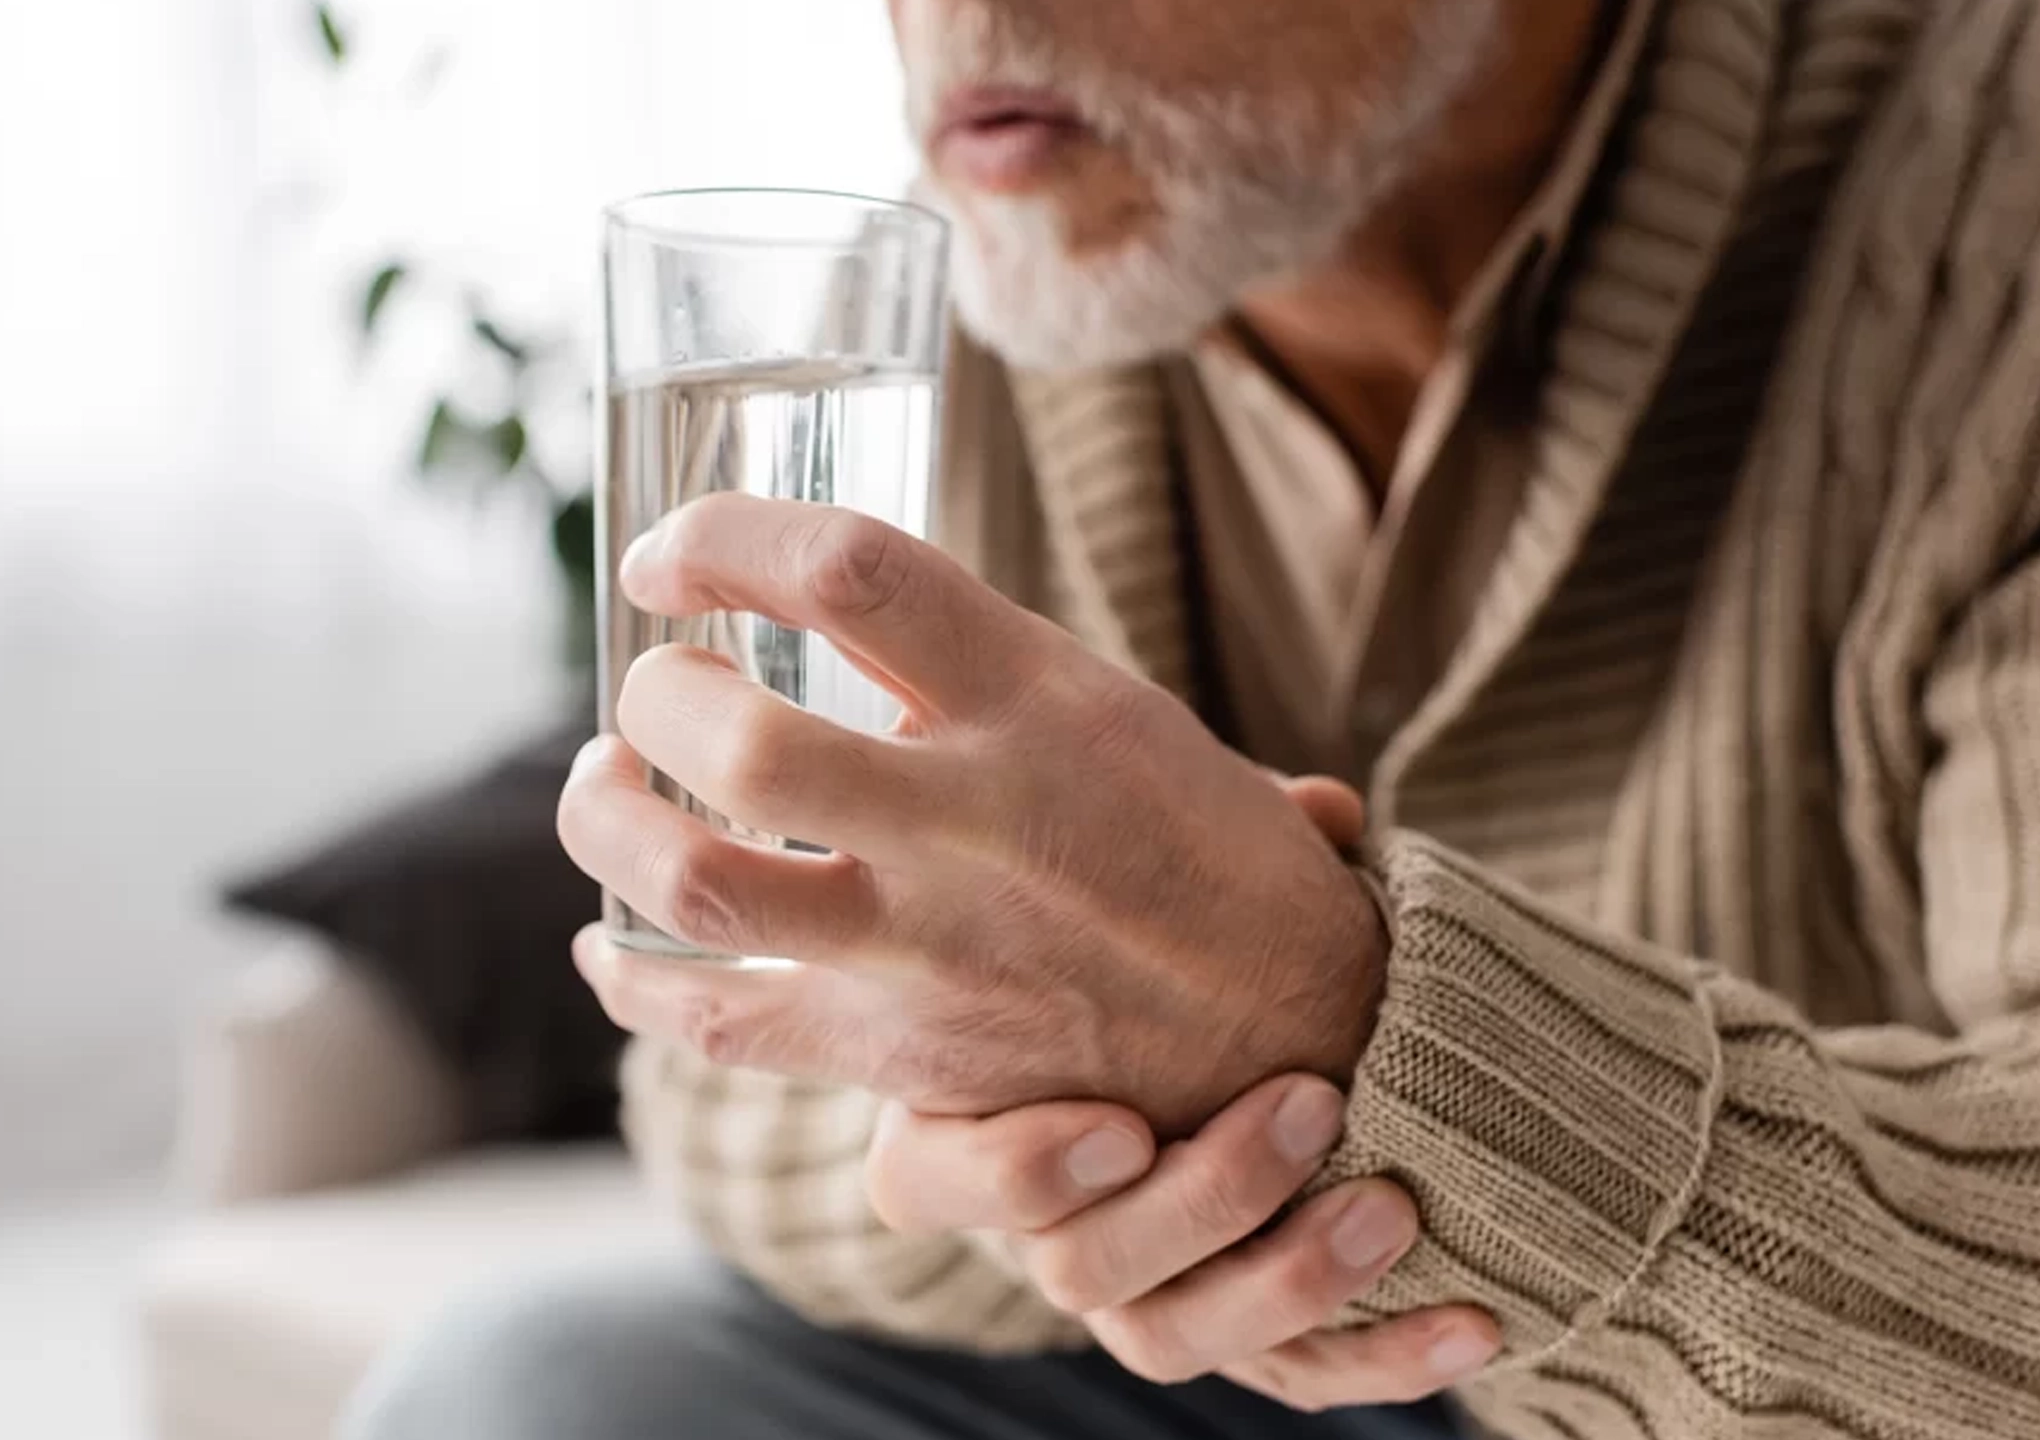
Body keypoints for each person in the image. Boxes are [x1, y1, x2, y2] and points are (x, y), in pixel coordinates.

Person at [348, 0, 2040, 1436]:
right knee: (531, 1386)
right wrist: (1077, 1150)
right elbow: (724, 1058)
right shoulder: (1015, 246)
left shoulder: (1987, 188)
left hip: (1806, 1379)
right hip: (1211, 1373)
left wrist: (1339, 1033)